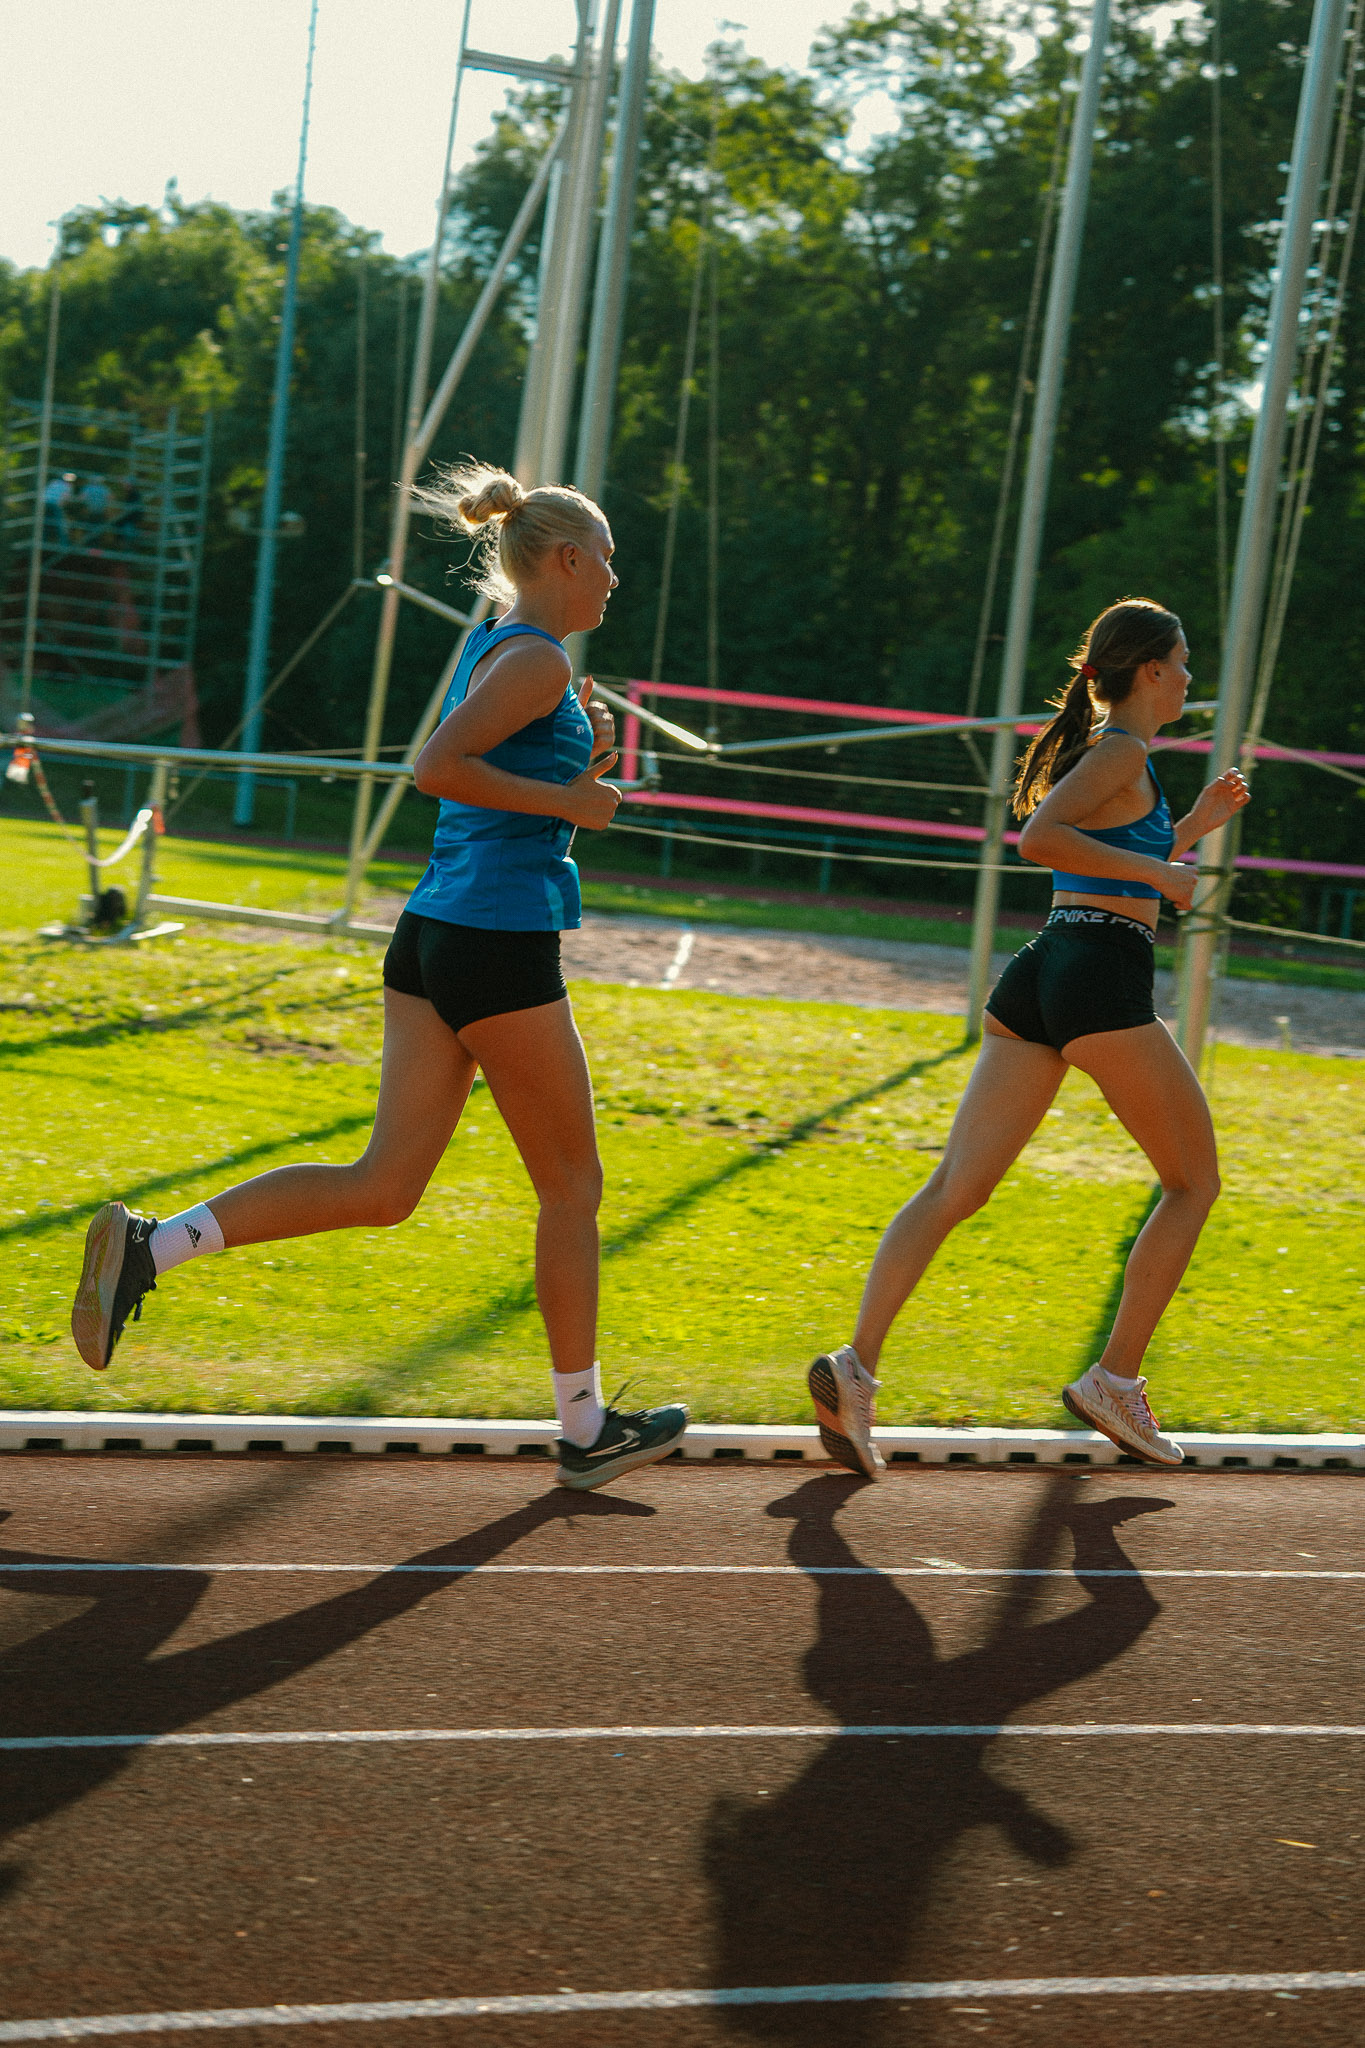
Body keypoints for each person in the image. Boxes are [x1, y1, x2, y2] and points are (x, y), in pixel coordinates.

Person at [70, 461, 689, 1491]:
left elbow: (486, 780)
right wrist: (572, 805)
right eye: (608, 558)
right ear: (566, 559)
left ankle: (151, 1247)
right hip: (496, 943)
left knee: (384, 1186)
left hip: (434, 935)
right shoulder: (535, 659)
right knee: (572, 1186)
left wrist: (570, 777)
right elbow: (436, 769)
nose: (616, 579)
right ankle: (585, 1428)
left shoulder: (499, 644)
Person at [808, 597, 1250, 1475]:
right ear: (1148, 670)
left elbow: (1104, 853)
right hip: (1097, 974)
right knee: (1192, 1182)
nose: (1189, 676)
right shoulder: (1120, 750)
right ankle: (1113, 1381)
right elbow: (1042, 837)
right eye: (1181, 661)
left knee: (955, 1187)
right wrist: (1161, 868)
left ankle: (853, 1368)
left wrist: (1188, 831)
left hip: (1041, 978)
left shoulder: (1119, 758)